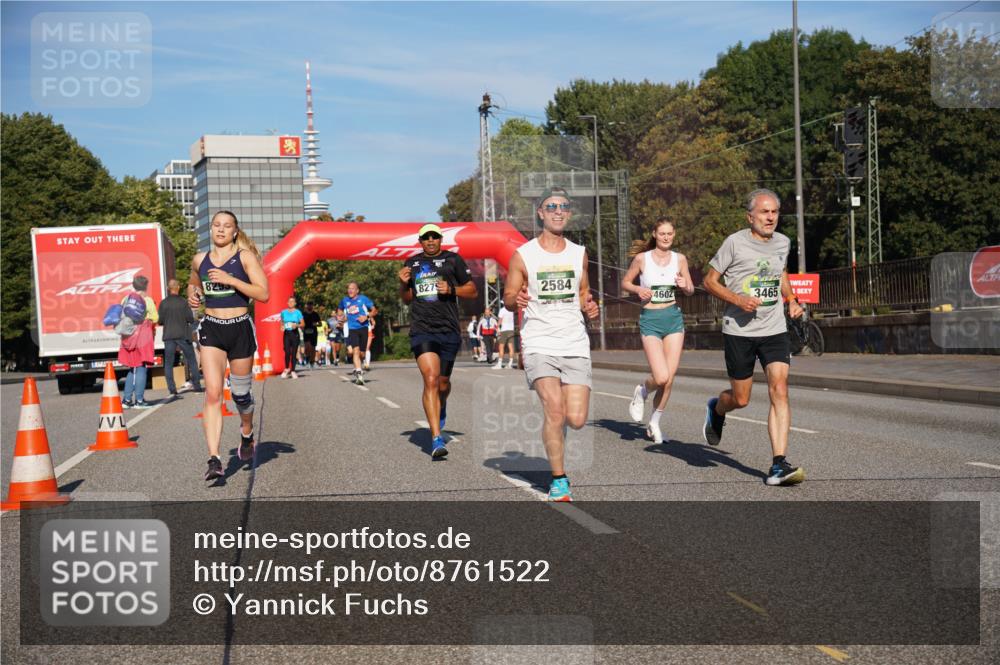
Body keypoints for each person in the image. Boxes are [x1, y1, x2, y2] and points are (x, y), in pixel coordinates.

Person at [701, 189, 805, 487]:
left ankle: (778, 465)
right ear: (750, 217)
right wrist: (737, 299)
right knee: (741, 399)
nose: (770, 217)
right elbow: (708, 281)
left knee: (780, 389)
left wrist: (792, 299)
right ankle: (717, 408)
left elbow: (780, 274)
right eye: (764, 212)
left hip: (774, 329)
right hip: (740, 331)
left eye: (774, 212)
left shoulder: (783, 242)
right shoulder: (734, 243)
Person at [503, 187, 598, 502]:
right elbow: (507, 297)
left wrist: (589, 304)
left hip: (574, 342)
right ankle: (559, 479)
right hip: (539, 341)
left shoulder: (578, 252)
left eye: (564, 206)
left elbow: (584, 290)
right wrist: (514, 298)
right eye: (551, 206)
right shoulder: (524, 255)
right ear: (541, 213)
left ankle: (555, 438)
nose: (558, 211)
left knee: (577, 418)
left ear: (568, 213)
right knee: (555, 411)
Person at [187, 210, 269, 480]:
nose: (220, 230)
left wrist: (231, 279)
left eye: (227, 226)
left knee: (241, 395)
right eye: (216, 225)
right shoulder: (200, 259)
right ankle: (214, 458)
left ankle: (247, 434)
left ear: (235, 231)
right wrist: (194, 296)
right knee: (212, 393)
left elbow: (264, 293)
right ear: (210, 229)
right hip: (212, 328)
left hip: (240, 328)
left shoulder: (245, 258)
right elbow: (193, 284)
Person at [399, 223, 478, 458]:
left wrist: (452, 289)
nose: (430, 241)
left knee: (443, 383)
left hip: (448, 330)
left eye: (434, 237)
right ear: (420, 241)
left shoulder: (453, 260)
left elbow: (472, 290)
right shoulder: (411, 264)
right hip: (422, 329)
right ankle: (435, 438)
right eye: (426, 238)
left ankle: (441, 404)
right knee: (431, 379)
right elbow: (406, 299)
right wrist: (403, 283)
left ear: (440, 239)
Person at [621, 220, 694, 443]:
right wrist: (638, 289)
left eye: (669, 234)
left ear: (674, 235)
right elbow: (625, 282)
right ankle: (642, 391)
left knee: (669, 379)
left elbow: (690, 290)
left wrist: (684, 285)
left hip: (673, 319)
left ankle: (654, 423)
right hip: (651, 320)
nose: (665, 237)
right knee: (661, 376)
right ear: (654, 234)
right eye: (662, 233)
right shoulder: (642, 259)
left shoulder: (680, 259)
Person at [118, 275, 159, 409]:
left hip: (128, 336)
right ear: (145, 286)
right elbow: (155, 317)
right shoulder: (147, 300)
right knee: (141, 368)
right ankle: (140, 401)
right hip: (142, 337)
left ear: (134, 285)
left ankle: (126, 400)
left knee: (132, 368)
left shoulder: (126, 299)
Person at [160, 278, 202, 396]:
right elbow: (190, 318)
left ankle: (172, 389)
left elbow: (160, 320)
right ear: (178, 288)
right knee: (192, 360)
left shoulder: (164, 303)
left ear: (168, 289)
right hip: (183, 335)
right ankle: (197, 386)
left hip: (168, 335)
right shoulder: (183, 302)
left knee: (169, 362)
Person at [338, 282, 376, 385]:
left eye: (352, 288)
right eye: (349, 288)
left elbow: (374, 311)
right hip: (352, 329)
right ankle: (359, 374)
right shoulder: (345, 300)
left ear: (357, 290)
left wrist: (366, 317)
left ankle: (358, 366)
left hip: (363, 328)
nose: (350, 290)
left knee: (362, 353)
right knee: (355, 351)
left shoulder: (363, 299)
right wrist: (340, 317)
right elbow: (340, 309)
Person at [279, 296, 303, 379]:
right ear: (287, 303)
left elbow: (303, 324)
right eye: (289, 301)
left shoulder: (298, 312)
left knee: (293, 353)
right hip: (287, 334)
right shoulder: (283, 312)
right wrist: (281, 326)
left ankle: (293, 371)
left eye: (292, 302)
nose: (291, 303)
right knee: (287, 352)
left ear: (295, 303)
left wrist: (296, 325)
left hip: (295, 334)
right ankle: (286, 369)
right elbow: (282, 321)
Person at [494, 303, 518, 369]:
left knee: (501, 347)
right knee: (511, 347)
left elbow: (500, 320)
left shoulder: (502, 310)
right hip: (511, 330)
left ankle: (499, 364)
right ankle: (510, 364)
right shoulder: (512, 311)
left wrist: (496, 327)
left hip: (504, 330)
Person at [301, 303, 321, 370]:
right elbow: (300, 323)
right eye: (308, 305)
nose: (310, 306)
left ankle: (312, 362)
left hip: (314, 333)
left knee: (312, 348)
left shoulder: (315, 314)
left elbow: (320, 324)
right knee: (307, 347)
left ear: (312, 306)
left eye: (311, 305)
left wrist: (315, 324)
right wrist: (302, 328)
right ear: (306, 306)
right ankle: (307, 360)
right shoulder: (303, 314)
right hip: (306, 332)